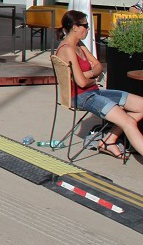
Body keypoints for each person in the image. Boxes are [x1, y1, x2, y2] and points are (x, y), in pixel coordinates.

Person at [56, 10, 143, 160]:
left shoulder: (80, 45)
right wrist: (92, 75)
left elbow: (99, 66)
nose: (88, 29)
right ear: (75, 27)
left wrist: (89, 74)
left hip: (94, 92)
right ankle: (110, 141)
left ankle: (108, 140)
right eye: (86, 25)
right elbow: (82, 83)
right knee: (128, 122)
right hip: (82, 96)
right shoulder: (68, 49)